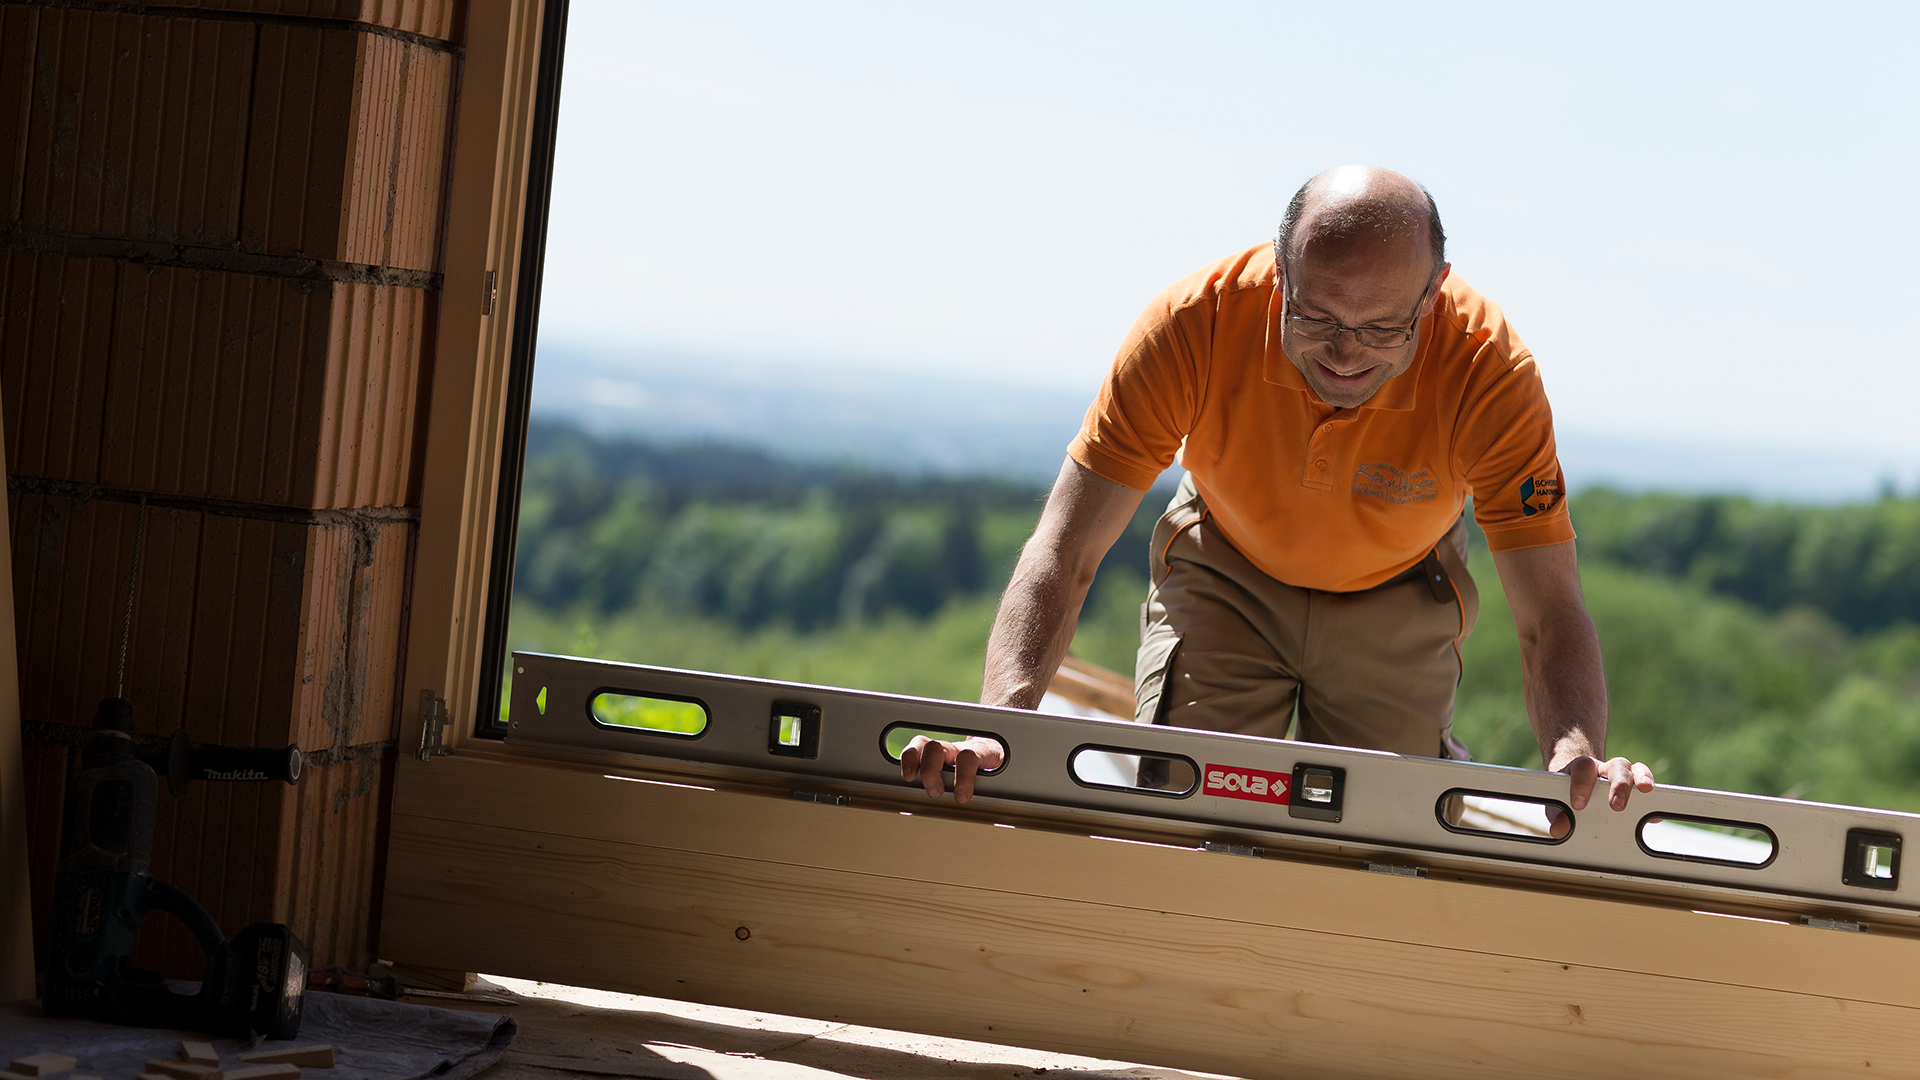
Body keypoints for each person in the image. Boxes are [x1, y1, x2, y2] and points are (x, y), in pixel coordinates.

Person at [901, 165, 1654, 830]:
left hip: (1397, 584)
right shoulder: (1194, 324)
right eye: (1317, 317)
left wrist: (1575, 755)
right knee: (1186, 810)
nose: (1347, 352)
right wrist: (999, 725)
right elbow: (1066, 549)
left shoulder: (1489, 371)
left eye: (1383, 326)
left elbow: (1550, 611)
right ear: (1281, 272)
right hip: (1228, 563)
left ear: (1435, 289)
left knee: (1382, 836)